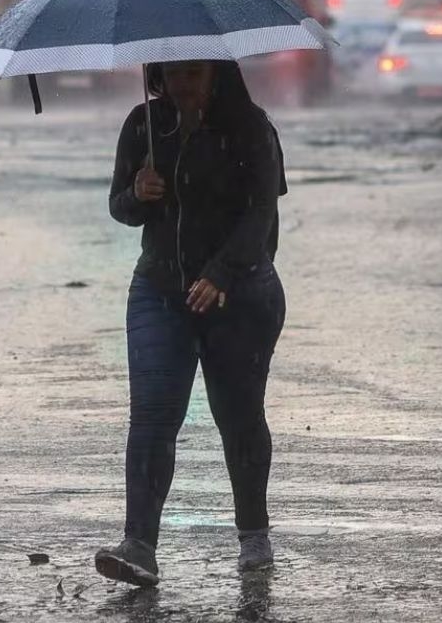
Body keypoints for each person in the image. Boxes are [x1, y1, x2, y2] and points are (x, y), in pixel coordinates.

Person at [94, 60, 288, 588]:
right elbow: (119, 207)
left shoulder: (251, 128)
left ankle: (253, 534)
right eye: (172, 74)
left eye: (193, 74)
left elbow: (262, 215)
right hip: (160, 291)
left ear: (217, 74)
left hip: (242, 296)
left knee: (239, 416)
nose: (182, 85)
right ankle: (139, 546)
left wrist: (223, 272)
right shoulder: (143, 126)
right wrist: (139, 192)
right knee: (153, 416)